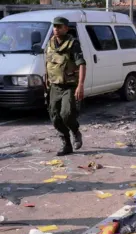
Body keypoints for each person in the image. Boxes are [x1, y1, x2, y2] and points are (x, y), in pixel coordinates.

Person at [45, 17, 86, 156]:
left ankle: (75, 132)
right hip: (54, 86)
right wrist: (46, 79)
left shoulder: (73, 43)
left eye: (59, 26)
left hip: (69, 85)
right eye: (54, 26)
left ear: (66, 28)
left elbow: (81, 64)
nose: (56, 28)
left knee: (66, 114)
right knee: (55, 117)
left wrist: (80, 85)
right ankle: (67, 144)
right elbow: (49, 63)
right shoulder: (50, 43)